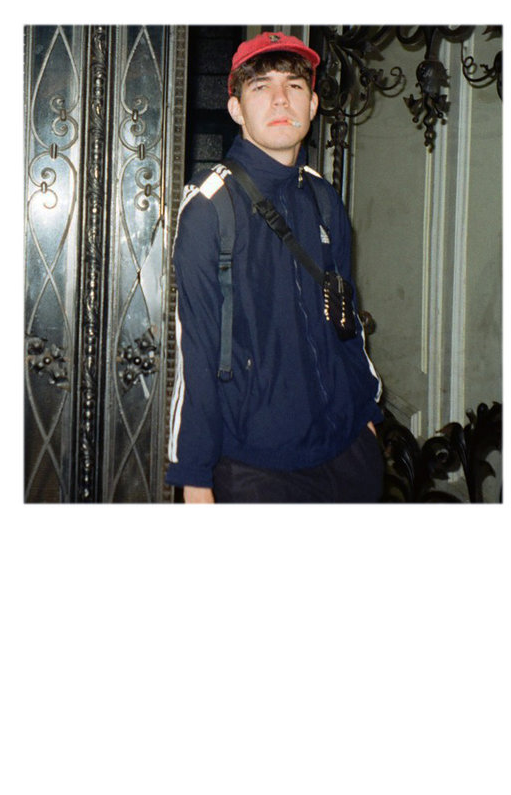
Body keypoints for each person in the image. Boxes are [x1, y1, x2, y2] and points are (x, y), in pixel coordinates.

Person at [165, 30, 385, 503]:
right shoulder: (210, 206)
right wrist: (195, 476)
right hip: (256, 466)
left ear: (313, 104)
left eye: (295, 85)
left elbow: (346, 318)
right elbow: (196, 351)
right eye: (261, 86)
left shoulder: (324, 197)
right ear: (236, 109)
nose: (281, 98)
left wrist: (367, 413)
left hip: (347, 451)